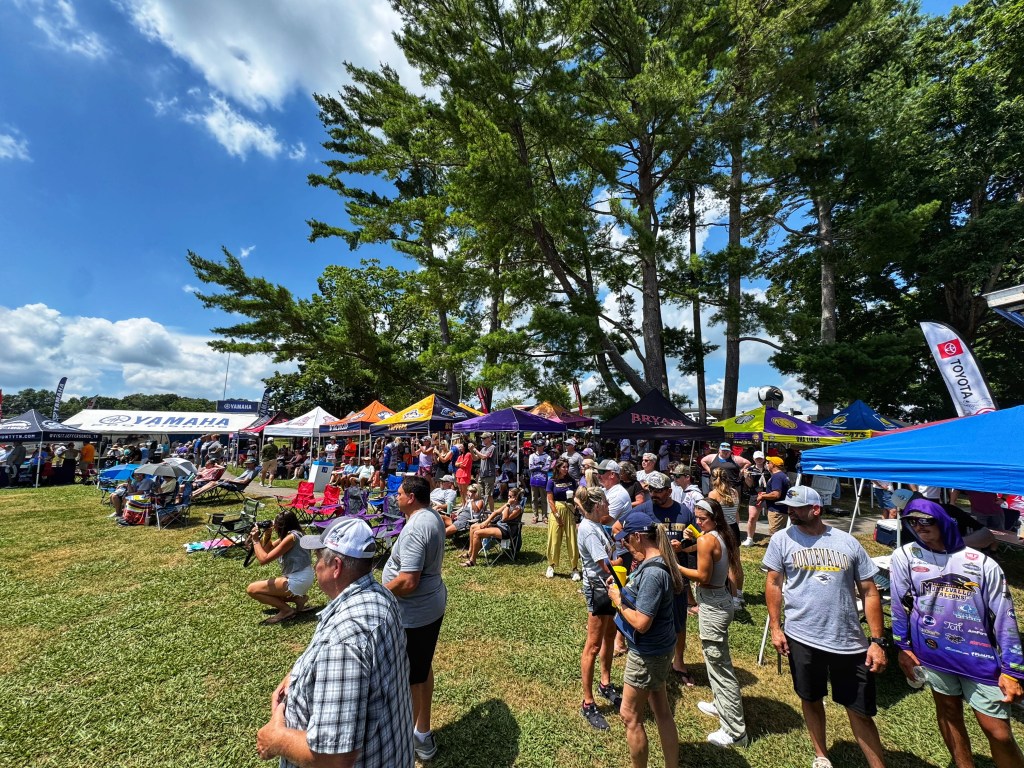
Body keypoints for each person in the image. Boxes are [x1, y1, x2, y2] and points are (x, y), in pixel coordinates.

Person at [256, 517, 413, 768]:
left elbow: (334, 758)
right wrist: (298, 674)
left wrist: (276, 740)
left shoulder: (343, 643)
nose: (316, 565)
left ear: (336, 566)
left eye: (319, 558)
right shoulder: (381, 595)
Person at [890, 498, 1024, 768]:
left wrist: (1013, 670)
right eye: (912, 521)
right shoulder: (904, 556)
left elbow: (1005, 617)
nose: (919, 526)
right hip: (933, 655)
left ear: (943, 521)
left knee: (998, 732)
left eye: (925, 520)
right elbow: (898, 604)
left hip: (979, 660)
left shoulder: (982, 563)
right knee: (949, 714)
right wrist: (902, 647)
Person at [763, 486, 888, 768]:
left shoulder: (847, 543)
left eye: (796, 508)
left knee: (860, 710)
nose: (790, 512)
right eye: (788, 507)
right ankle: (821, 755)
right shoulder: (782, 540)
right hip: (801, 636)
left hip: (848, 640)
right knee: (810, 698)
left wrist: (877, 641)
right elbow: (773, 583)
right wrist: (776, 628)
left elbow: (869, 591)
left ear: (815, 509)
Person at [607, 516, 682, 768]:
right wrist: (623, 588)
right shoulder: (656, 563)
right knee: (661, 710)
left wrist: (618, 600)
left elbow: (641, 623)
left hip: (648, 653)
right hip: (660, 649)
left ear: (638, 536)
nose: (625, 546)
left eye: (627, 540)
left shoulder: (653, 573)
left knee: (629, 715)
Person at [382, 475, 447, 762]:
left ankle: (408, 742)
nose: (396, 497)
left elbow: (408, 581)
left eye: (399, 494)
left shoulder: (416, 528)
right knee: (421, 669)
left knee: (411, 679)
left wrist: (376, 592)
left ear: (411, 497)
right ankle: (422, 732)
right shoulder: (430, 516)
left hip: (415, 613)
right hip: (427, 607)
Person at [679, 498, 749, 747]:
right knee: (715, 661)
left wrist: (674, 564)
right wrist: (688, 547)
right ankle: (721, 705)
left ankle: (735, 731)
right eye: (696, 518)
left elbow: (702, 575)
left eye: (703, 518)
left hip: (713, 604)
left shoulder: (707, 539)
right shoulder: (721, 534)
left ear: (714, 517)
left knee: (720, 667)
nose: (698, 522)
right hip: (721, 600)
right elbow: (706, 553)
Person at [575, 486, 623, 731]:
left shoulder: (596, 525)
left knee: (610, 635)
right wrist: (625, 560)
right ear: (596, 506)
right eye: (605, 502)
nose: (608, 505)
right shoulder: (588, 529)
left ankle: (605, 683)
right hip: (598, 590)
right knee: (593, 645)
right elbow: (604, 565)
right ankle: (588, 702)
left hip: (609, 588)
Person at [647, 471, 699, 686]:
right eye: (651, 489)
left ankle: (678, 661)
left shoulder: (684, 512)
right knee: (649, 618)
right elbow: (620, 529)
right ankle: (651, 660)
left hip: (677, 576)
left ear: (669, 491)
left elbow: (697, 540)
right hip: (651, 575)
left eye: (658, 491)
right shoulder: (643, 510)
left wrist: (684, 545)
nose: (654, 494)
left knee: (679, 621)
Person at [246, 510, 315, 624]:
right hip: (304, 577)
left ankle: (286, 610)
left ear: (282, 525)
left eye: (276, 524)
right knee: (269, 591)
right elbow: (268, 549)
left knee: (252, 589)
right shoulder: (296, 533)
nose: (274, 526)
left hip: (298, 580)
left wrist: (255, 540)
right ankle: (299, 599)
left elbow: (263, 559)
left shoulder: (291, 538)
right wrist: (267, 534)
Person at [707, 467, 746, 606]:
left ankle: (734, 599)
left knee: (727, 566)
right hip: (734, 528)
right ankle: (739, 594)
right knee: (736, 563)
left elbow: (712, 516)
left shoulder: (713, 494)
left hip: (722, 529)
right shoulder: (734, 492)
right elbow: (736, 513)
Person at [463, 487, 524, 567]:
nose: (508, 498)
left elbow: (505, 518)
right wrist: (487, 521)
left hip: (506, 531)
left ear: (516, 497)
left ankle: (472, 561)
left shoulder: (518, 508)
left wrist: (508, 505)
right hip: (498, 526)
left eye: (510, 496)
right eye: (508, 496)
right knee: (473, 527)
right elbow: (496, 512)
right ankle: (470, 552)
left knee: (477, 533)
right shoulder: (508, 505)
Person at [545, 459, 581, 580]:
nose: (566, 469)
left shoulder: (571, 480)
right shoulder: (551, 481)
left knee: (572, 539)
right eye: (563, 467)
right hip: (557, 509)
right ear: (558, 468)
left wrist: (575, 505)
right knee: (554, 539)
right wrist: (556, 514)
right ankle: (551, 565)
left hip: (569, 510)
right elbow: (550, 500)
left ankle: (574, 568)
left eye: (567, 467)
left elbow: (576, 495)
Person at [757, 456, 792, 538]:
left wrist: (763, 496)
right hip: (782, 510)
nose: (767, 464)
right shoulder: (783, 475)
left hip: (777, 511)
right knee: (782, 535)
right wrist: (767, 493)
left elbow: (776, 494)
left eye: (768, 462)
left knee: (775, 536)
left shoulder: (777, 477)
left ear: (773, 464)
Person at [742, 451, 772, 545]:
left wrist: (770, 471)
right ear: (753, 459)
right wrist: (746, 477)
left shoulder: (769, 468)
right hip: (755, 494)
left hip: (768, 494)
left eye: (760, 458)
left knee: (771, 518)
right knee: (752, 517)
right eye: (757, 458)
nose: (759, 460)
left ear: (764, 459)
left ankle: (773, 538)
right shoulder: (750, 469)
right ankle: (749, 538)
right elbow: (750, 484)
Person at [192, 458, 259, 498]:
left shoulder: (252, 472)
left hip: (235, 486)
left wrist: (231, 481)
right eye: (246, 463)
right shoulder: (248, 470)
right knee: (212, 482)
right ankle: (194, 494)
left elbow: (244, 482)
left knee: (213, 483)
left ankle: (195, 495)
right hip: (232, 483)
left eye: (249, 463)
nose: (247, 465)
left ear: (253, 464)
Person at [471, 432, 497, 514]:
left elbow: (484, 457)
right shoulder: (483, 449)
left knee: (488, 495)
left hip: (489, 474)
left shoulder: (492, 447)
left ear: (489, 438)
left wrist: (475, 449)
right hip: (482, 474)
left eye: (484, 438)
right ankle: (483, 511)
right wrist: (471, 450)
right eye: (482, 438)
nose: (482, 440)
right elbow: (475, 458)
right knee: (481, 495)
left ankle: (492, 513)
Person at [528, 440, 551, 523]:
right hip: (533, 480)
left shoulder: (547, 456)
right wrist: (541, 466)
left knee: (544, 499)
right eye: (537, 445)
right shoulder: (532, 456)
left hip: (543, 480)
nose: (538, 447)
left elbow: (547, 468)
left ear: (543, 446)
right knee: (534, 498)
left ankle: (545, 516)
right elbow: (531, 467)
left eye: (540, 445)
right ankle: (535, 515)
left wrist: (537, 467)